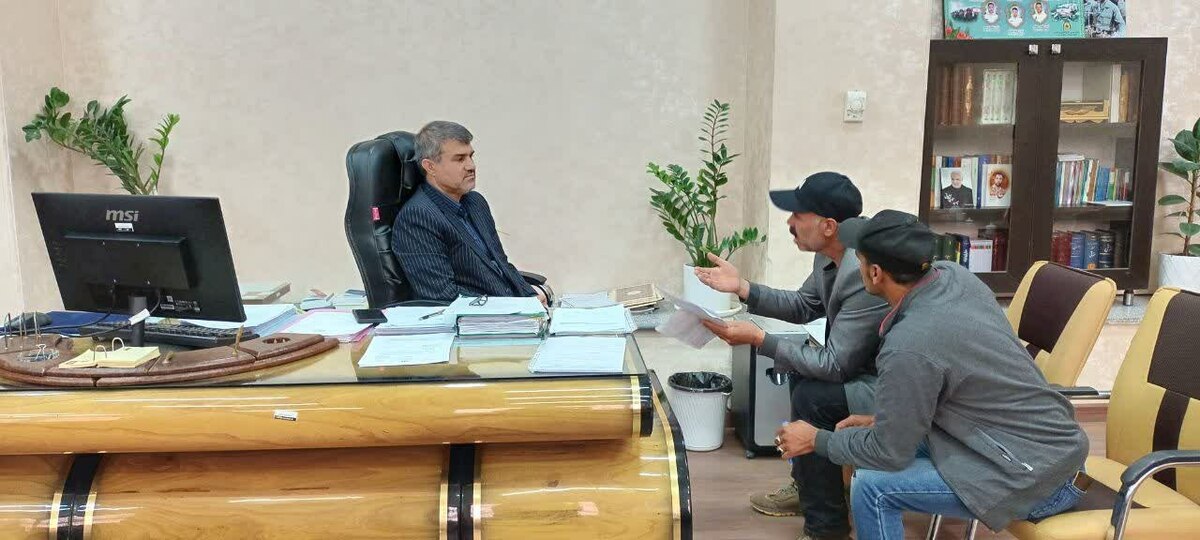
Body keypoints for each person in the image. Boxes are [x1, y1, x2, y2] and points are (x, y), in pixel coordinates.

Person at [774, 210, 1090, 539]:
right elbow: (958, 383)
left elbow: (889, 452)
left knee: (872, 487)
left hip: (1037, 479)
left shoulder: (909, 344)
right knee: (867, 450)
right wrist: (882, 420)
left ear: (875, 273)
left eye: (859, 260)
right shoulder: (954, 277)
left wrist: (816, 439)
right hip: (1039, 447)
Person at [693, 172, 889, 540]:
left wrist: (759, 339)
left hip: (893, 388)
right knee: (800, 370)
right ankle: (809, 487)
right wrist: (742, 287)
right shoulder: (831, 255)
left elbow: (836, 365)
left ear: (828, 226)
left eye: (798, 215)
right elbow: (804, 304)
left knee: (814, 397)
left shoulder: (862, 269)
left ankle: (826, 529)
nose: (789, 223)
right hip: (861, 371)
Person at [391, 121, 547, 304]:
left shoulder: (475, 202)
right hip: (480, 316)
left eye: (471, 156)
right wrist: (516, 306)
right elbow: (442, 294)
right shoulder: (417, 216)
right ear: (430, 166)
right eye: (459, 159)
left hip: (510, 308)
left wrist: (531, 296)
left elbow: (500, 263)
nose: (471, 166)